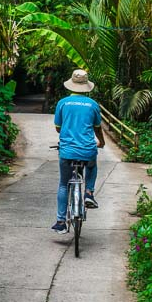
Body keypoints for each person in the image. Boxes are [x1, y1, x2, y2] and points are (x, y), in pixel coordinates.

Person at [51, 69, 105, 234]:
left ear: (71, 85)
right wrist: (101, 142)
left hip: (67, 151)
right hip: (87, 150)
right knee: (92, 165)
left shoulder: (63, 103)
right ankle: (88, 192)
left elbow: (58, 128)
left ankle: (61, 221)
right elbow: (97, 128)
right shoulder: (93, 105)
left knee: (63, 184)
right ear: (86, 86)